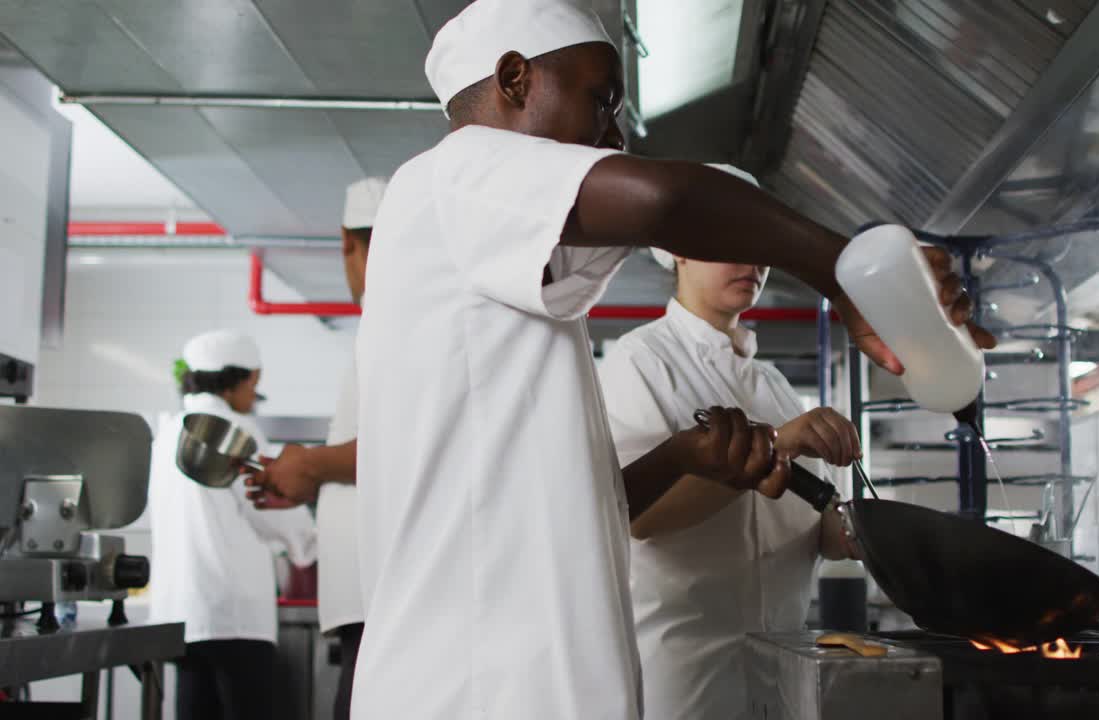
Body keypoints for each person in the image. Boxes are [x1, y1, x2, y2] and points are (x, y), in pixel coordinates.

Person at [352, 1, 995, 718]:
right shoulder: (452, 172)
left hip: (527, 679)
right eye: (601, 101)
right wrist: (845, 270)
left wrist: (688, 458)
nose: (616, 136)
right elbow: (665, 199)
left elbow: (590, 505)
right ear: (512, 80)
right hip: (477, 687)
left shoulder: (507, 295)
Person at [598, 164, 861, 720]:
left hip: (785, 665)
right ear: (680, 252)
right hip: (685, 673)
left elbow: (820, 532)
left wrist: (858, 532)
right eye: (730, 244)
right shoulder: (639, 364)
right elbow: (640, 517)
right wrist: (780, 445)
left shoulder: (775, 386)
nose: (752, 261)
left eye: (760, 244)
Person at [243, 177, 386, 720]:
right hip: (370, 591)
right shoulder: (386, 318)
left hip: (379, 592)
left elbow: (408, 443)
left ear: (346, 242)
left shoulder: (395, 319)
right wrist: (307, 478)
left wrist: (310, 464)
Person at [147, 329, 317, 720]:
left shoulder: (171, 430)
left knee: (195, 711)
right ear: (233, 380)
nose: (253, 396)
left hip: (180, 613)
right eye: (254, 384)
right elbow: (272, 506)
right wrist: (311, 544)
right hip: (232, 612)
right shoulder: (229, 430)